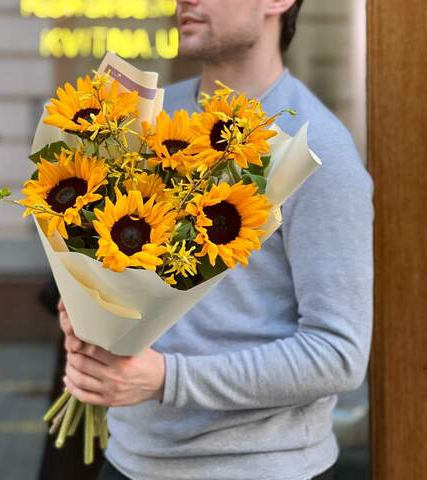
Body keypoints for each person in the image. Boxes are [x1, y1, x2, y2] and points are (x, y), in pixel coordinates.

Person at [59, 1, 374, 479]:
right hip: (129, 461)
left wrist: (167, 379)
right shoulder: (147, 119)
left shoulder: (316, 147)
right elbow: (127, 279)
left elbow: (338, 355)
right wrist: (89, 318)